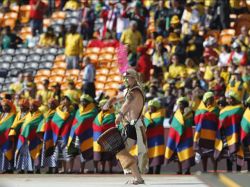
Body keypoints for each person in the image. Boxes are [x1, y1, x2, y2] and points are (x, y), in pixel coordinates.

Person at [107, 68, 147, 184]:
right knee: (122, 152)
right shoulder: (130, 91)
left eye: (127, 77)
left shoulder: (134, 92)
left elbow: (127, 103)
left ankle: (138, 178)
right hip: (131, 126)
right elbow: (119, 98)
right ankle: (137, 177)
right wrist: (109, 102)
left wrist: (119, 115)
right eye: (124, 77)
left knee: (122, 152)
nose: (125, 79)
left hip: (133, 126)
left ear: (134, 78)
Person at [43, 95, 75, 173]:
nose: (65, 101)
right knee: (60, 153)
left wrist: (67, 110)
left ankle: (70, 169)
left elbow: (72, 121)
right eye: (63, 100)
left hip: (68, 134)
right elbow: (55, 121)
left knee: (69, 152)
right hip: (59, 134)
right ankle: (63, 169)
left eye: (66, 100)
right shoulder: (58, 110)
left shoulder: (72, 110)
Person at [214, 91, 245, 172]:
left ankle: (238, 170)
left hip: (238, 133)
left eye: (230, 99)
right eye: (228, 99)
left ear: (234, 99)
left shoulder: (240, 108)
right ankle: (229, 170)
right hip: (226, 134)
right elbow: (221, 118)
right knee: (229, 152)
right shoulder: (225, 109)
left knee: (238, 151)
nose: (228, 100)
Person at [68, 94, 98, 173]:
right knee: (72, 152)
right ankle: (70, 169)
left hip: (87, 135)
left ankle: (83, 169)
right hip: (76, 134)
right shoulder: (78, 110)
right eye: (81, 101)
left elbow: (92, 121)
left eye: (84, 101)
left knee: (84, 151)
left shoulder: (93, 111)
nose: (82, 102)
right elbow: (76, 121)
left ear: (88, 102)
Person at [165, 97, 195, 174]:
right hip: (177, 136)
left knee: (187, 153)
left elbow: (193, 122)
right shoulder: (176, 113)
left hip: (186, 136)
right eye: (179, 104)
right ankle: (180, 170)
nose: (179, 106)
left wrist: (185, 116)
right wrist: (174, 114)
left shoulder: (190, 113)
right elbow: (170, 122)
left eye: (181, 104)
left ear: (185, 105)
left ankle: (187, 170)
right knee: (178, 154)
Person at [15, 100, 44, 174]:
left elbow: (34, 124)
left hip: (34, 136)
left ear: (36, 107)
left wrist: (28, 127)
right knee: (23, 152)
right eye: (30, 105)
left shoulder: (40, 114)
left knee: (35, 152)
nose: (30, 107)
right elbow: (23, 123)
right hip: (24, 136)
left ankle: (36, 169)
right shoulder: (28, 114)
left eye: (32, 106)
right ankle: (22, 169)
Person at [193, 92, 219, 172]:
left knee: (213, 155)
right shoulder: (200, 110)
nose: (210, 101)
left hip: (212, 135)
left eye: (212, 99)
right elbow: (196, 121)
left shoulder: (216, 110)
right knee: (204, 154)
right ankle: (204, 170)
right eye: (209, 99)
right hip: (202, 135)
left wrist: (208, 115)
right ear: (205, 100)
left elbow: (218, 121)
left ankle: (215, 170)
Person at [92, 99, 116, 174]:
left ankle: (110, 169)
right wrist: (98, 128)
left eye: (104, 105)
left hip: (108, 137)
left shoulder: (111, 114)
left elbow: (109, 125)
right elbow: (95, 125)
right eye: (101, 106)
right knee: (99, 154)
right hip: (97, 137)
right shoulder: (99, 115)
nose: (102, 107)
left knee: (109, 155)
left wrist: (100, 128)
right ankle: (99, 169)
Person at [144, 99, 165, 174]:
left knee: (158, 153)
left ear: (156, 107)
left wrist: (148, 120)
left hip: (158, 138)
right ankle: (150, 170)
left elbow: (154, 123)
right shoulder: (147, 114)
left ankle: (157, 170)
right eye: (150, 107)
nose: (151, 108)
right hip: (149, 137)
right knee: (149, 153)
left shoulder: (160, 113)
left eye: (153, 107)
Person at [9, 99, 30, 174]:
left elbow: (25, 123)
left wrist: (15, 125)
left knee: (26, 153)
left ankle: (28, 169)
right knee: (19, 151)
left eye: (22, 106)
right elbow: (15, 123)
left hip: (26, 136)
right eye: (20, 106)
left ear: (26, 107)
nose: (21, 107)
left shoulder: (29, 114)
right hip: (18, 135)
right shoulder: (19, 114)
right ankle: (20, 168)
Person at [38, 98, 58, 174]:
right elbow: (43, 122)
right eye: (49, 103)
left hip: (54, 134)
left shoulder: (57, 112)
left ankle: (55, 168)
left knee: (54, 151)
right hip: (47, 134)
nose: (50, 105)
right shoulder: (47, 113)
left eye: (52, 103)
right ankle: (50, 168)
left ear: (55, 105)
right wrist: (41, 132)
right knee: (48, 151)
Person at [0, 99, 16, 173]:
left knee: (8, 151)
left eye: (6, 106)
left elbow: (10, 125)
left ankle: (10, 169)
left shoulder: (13, 115)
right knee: (3, 152)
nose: (4, 107)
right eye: (3, 106)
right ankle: (4, 168)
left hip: (8, 136)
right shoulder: (1, 114)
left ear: (9, 106)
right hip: (1, 136)